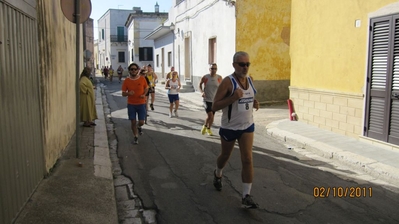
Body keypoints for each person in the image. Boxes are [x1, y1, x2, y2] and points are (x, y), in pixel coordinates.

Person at [211, 51, 260, 209]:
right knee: (225, 156)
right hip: (229, 127)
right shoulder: (228, 82)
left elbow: (248, 97)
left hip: (247, 126)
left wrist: (254, 102)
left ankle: (246, 195)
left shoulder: (250, 80)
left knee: (247, 159)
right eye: (241, 64)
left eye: (247, 64)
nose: (245, 67)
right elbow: (215, 106)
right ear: (234, 65)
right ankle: (218, 173)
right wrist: (233, 97)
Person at [122, 63, 149, 144]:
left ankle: (139, 126)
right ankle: (135, 137)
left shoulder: (142, 79)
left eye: (135, 69)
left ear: (137, 70)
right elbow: (123, 93)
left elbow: (146, 88)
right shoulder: (127, 81)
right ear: (129, 71)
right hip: (131, 104)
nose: (133, 70)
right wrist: (128, 93)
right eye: (132, 69)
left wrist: (144, 94)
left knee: (141, 122)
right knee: (133, 121)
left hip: (141, 103)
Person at [199, 63, 223, 136]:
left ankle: (209, 128)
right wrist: (202, 92)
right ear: (209, 69)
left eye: (215, 69)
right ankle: (205, 126)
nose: (214, 70)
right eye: (212, 68)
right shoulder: (205, 77)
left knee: (212, 116)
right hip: (206, 100)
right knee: (210, 115)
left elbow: (221, 88)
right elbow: (199, 84)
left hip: (214, 100)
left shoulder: (219, 77)